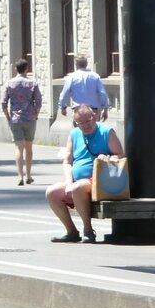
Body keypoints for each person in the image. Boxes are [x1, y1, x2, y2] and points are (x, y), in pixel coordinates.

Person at [45, 103, 124, 243]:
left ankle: (88, 229)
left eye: (87, 121)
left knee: (77, 187)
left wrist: (108, 158)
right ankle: (71, 231)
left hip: (99, 180)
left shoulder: (106, 132)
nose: (85, 126)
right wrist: (68, 184)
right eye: (80, 123)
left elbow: (120, 156)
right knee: (52, 192)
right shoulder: (74, 134)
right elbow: (67, 161)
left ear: (94, 117)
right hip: (77, 181)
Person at [0, 59, 42, 185]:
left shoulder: (9, 84)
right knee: (29, 148)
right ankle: (29, 175)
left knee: (18, 148)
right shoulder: (32, 83)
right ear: (27, 69)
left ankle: (20, 176)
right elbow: (38, 102)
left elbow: (3, 103)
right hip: (30, 118)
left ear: (15, 69)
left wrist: (8, 116)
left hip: (15, 118)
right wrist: (36, 114)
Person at [59, 53, 109, 121]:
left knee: (79, 131)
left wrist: (63, 107)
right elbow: (102, 93)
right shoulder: (95, 76)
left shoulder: (72, 77)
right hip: (92, 111)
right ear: (86, 63)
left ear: (76, 64)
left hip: (78, 111)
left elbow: (65, 94)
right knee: (94, 131)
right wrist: (105, 108)